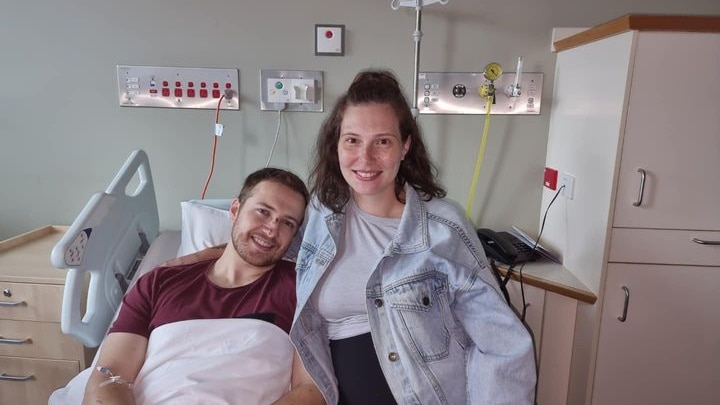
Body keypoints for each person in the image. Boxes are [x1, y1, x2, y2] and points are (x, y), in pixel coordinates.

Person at [286, 69, 537, 405]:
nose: (365, 158)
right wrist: (206, 257)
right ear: (336, 145)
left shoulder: (442, 227)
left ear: (405, 146)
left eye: (383, 142)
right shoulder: (322, 212)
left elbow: (503, 344)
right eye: (353, 140)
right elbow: (276, 249)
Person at [80, 167, 314, 405]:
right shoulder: (158, 282)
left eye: (288, 223)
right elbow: (109, 376)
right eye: (263, 211)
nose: (272, 229)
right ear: (235, 210)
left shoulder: (302, 291)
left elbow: (311, 390)